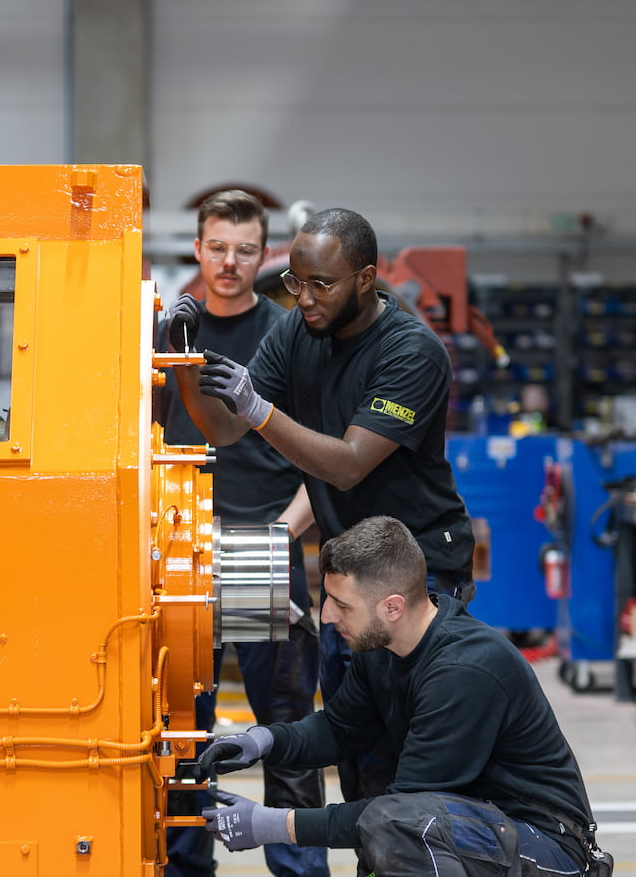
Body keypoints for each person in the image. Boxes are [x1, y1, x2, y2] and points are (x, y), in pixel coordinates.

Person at [196, 516, 602, 877]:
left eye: (340, 603)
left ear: (391, 605)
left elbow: (394, 817)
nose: (325, 615)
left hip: (540, 849)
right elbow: (340, 729)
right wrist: (263, 741)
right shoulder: (381, 649)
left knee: (398, 823)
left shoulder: (467, 668)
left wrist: (273, 825)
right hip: (462, 844)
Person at [176, 206, 476, 802]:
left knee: (413, 747)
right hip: (346, 570)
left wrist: (258, 410)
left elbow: (347, 463)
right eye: (296, 283)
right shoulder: (296, 331)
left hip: (417, 570)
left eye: (321, 284)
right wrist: (184, 359)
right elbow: (225, 428)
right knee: (354, 743)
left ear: (365, 279)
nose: (305, 298)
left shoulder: (410, 352)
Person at [153, 189, 337, 877]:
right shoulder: (164, 338)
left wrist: (282, 536)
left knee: (284, 726)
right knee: (181, 727)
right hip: (180, 555)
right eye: (217, 247)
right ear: (197, 249)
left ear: (266, 256)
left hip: (264, 548)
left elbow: (325, 458)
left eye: (246, 250)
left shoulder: (291, 337)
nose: (230, 263)